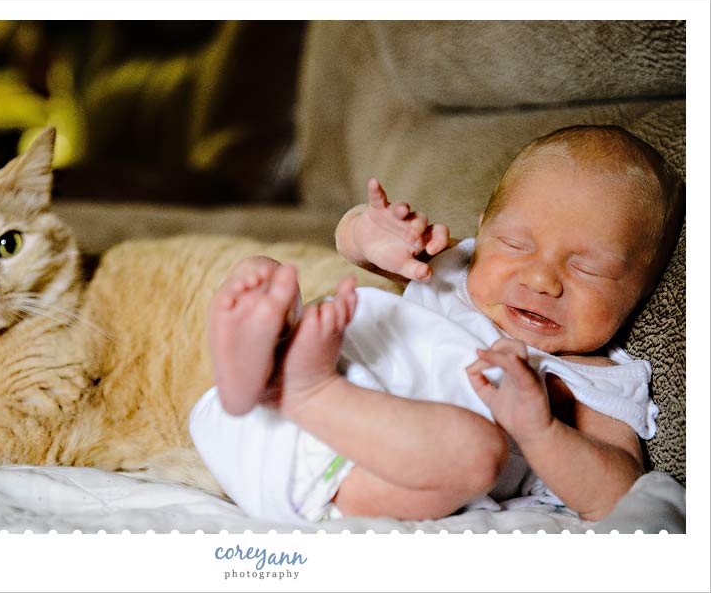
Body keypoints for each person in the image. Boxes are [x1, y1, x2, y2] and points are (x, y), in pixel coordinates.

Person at [189, 125, 684, 524]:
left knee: (479, 452)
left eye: (587, 269)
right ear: (482, 233)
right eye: (515, 245)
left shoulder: (598, 381)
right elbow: (356, 247)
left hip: (355, 474)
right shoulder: (455, 268)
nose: (540, 279)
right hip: (256, 418)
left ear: (638, 292)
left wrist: (540, 431)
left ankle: (304, 390)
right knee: (266, 274)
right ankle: (257, 366)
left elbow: (619, 492)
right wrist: (365, 232)